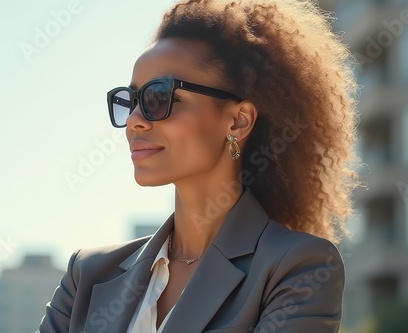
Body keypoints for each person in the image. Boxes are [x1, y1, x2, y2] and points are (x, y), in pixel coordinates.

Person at [39, 0, 357, 331]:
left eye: (158, 98)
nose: (134, 121)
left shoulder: (297, 266)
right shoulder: (87, 274)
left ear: (237, 120)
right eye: (131, 101)